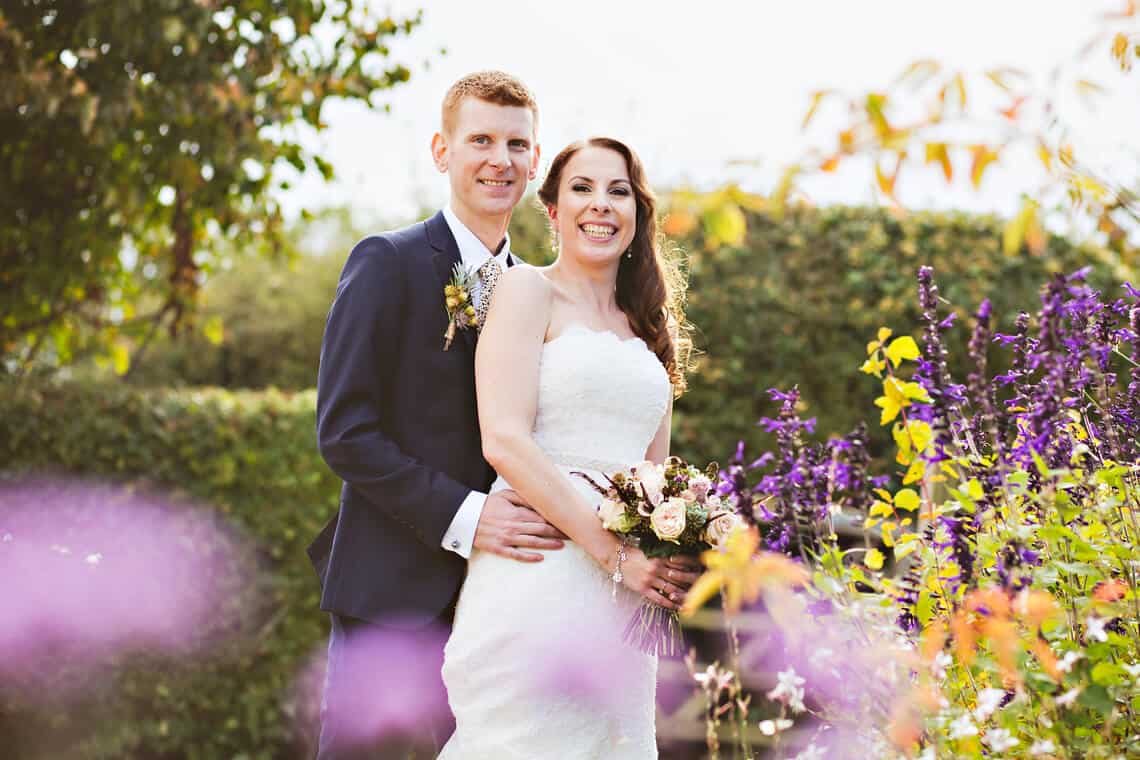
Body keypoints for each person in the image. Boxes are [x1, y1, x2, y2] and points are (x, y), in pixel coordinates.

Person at [309, 71, 570, 759]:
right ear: (441, 150)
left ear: (535, 161)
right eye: (479, 139)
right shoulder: (386, 263)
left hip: (506, 600)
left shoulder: (543, 293)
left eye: (517, 144)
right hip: (394, 589)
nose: (499, 159)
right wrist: (471, 515)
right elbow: (344, 432)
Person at [438, 137, 699, 759]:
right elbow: (503, 438)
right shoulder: (527, 291)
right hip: (540, 570)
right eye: (582, 188)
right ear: (551, 210)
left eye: (618, 191)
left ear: (638, 214)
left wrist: (678, 547)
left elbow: (656, 472)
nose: (600, 204)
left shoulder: (648, 327)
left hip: (623, 603)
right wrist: (614, 555)